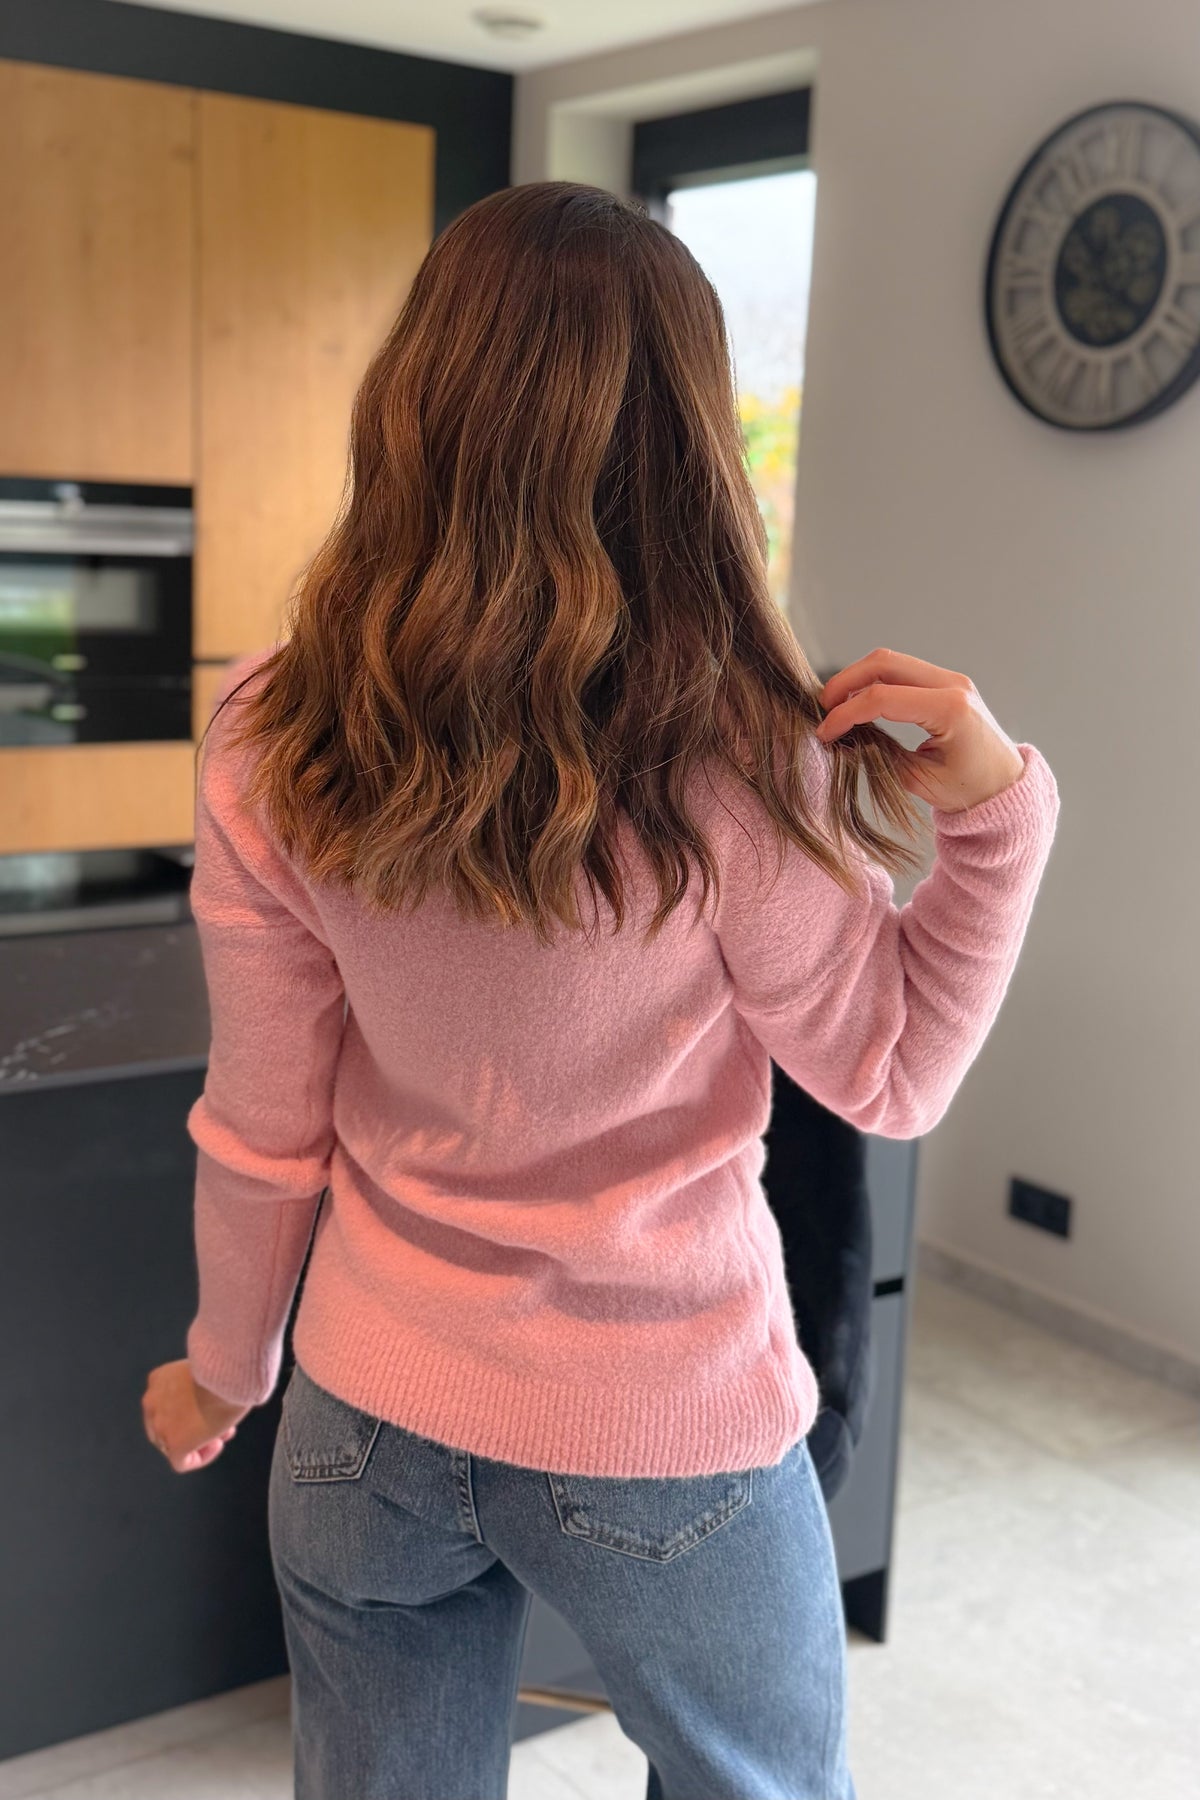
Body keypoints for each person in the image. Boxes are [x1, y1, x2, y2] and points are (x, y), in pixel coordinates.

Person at [141, 180, 1060, 1799]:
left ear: (415, 402)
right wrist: (998, 818)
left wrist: (227, 1363)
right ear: (690, 442)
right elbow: (895, 1076)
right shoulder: (744, 752)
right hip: (669, 1428)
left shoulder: (277, 729)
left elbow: (264, 1122)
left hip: (365, 1416)